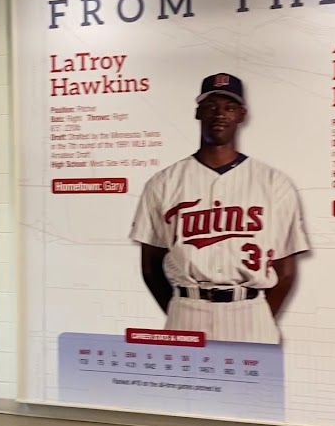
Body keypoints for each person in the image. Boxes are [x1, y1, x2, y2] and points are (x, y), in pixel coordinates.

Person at [129, 72, 309, 344]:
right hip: (186, 308)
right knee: (183, 387)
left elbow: (285, 271)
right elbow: (151, 267)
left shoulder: (274, 183)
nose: (220, 114)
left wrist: (259, 317)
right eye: (211, 106)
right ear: (198, 112)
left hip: (250, 310)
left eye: (229, 107)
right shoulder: (164, 183)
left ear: (242, 115)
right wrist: (181, 310)